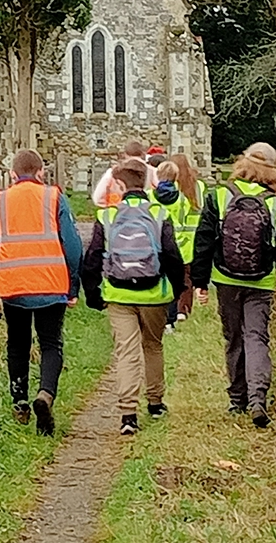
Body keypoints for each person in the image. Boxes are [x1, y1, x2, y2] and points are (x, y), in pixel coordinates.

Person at [0, 149, 82, 436]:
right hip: (51, 284)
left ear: (13, 175)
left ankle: (20, 402)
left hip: (13, 287)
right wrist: (73, 286)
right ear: (41, 173)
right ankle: (45, 394)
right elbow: (73, 246)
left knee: (17, 343)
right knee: (50, 343)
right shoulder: (54, 197)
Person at [192, 142, 276, 429]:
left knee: (233, 338)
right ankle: (258, 399)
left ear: (241, 165)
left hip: (226, 279)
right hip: (261, 281)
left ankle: (237, 398)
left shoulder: (219, 198)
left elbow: (203, 242)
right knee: (256, 337)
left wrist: (199, 281)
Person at [82, 158, 185, 435]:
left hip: (118, 293)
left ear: (119, 184)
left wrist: (93, 294)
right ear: (148, 182)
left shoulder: (108, 216)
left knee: (126, 352)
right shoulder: (160, 213)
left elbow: (92, 257)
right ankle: (155, 402)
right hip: (154, 294)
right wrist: (175, 290)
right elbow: (172, 255)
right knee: (152, 346)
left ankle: (128, 413)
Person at [150, 155, 209, 331]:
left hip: (164, 242)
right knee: (186, 278)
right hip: (190, 238)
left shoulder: (156, 194)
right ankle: (182, 310)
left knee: (166, 278)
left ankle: (165, 312)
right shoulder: (197, 187)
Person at [92, 140, 159, 208]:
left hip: (118, 212)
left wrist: (109, 207)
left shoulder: (112, 172)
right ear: (143, 154)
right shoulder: (153, 172)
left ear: (125, 154)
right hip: (145, 212)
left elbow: (97, 198)